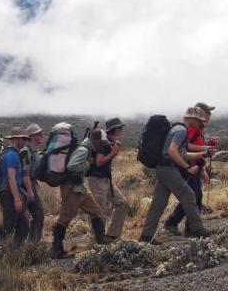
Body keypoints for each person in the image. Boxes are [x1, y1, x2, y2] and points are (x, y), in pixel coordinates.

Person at [140, 108, 211, 243]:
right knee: (189, 195)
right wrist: (187, 167)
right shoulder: (182, 131)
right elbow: (172, 151)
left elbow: (183, 153)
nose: (200, 124)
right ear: (193, 118)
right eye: (199, 120)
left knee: (158, 203)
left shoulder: (176, 129)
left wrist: (204, 153)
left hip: (162, 167)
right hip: (168, 168)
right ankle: (197, 229)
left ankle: (146, 236)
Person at [52, 129, 108, 259]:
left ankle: (102, 242)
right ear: (97, 140)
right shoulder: (83, 150)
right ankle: (56, 250)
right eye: (101, 142)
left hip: (80, 188)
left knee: (96, 211)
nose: (102, 145)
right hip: (71, 188)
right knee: (64, 219)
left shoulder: (86, 148)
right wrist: (88, 163)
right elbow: (72, 166)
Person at [163, 103, 216, 236]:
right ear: (201, 113)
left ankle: (183, 225)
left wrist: (202, 168)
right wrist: (205, 149)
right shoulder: (192, 128)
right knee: (193, 196)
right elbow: (187, 146)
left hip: (194, 164)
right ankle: (187, 227)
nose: (210, 115)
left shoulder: (199, 128)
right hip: (186, 165)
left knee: (192, 196)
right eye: (208, 112)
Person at [0, 128, 32, 249]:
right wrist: (17, 199)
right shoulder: (12, 155)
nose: (25, 141)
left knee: (23, 227)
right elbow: (11, 178)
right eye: (23, 139)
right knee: (8, 226)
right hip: (8, 194)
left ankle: (14, 253)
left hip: (9, 193)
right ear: (16, 139)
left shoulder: (9, 154)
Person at [86, 118, 129, 241]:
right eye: (120, 128)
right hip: (97, 179)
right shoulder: (104, 143)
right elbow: (99, 162)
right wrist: (113, 152)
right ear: (115, 129)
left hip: (105, 179)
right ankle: (96, 241)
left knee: (122, 203)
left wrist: (113, 151)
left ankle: (112, 235)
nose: (121, 130)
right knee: (100, 210)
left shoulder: (108, 142)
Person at [22, 124, 45, 242]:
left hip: (31, 184)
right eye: (39, 134)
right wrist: (30, 190)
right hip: (27, 186)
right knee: (38, 215)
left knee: (36, 216)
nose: (42, 136)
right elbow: (25, 173)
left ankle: (31, 245)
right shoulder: (26, 151)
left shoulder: (34, 151)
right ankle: (32, 246)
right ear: (31, 137)